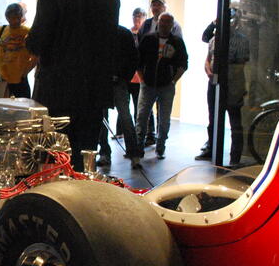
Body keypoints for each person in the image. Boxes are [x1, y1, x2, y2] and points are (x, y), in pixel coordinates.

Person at [26, 0, 119, 170]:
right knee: (85, 158)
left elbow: (37, 42)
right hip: (94, 92)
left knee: (54, 161)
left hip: (57, 92)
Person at [136, 12, 189, 160]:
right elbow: (138, 61)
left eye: (167, 22)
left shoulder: (177, 42)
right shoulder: (148, 39)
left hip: (166, 86)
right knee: (142, 116)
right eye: (162, 21)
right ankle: (138, 147)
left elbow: (183, 64)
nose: (164, 24)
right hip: (148, 84)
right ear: (158, 22)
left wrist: (173, 81)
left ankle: (160, 147)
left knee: (164, 119)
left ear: (172, 25)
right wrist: (142, 79)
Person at [202, 12, 250, 167]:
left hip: (233, 85)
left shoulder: (241, 40)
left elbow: (239, 66)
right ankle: (212, 150)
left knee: (235, 122)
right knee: (213, 119)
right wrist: (210, 73)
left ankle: (235, 157)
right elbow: (208, 59)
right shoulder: (214, 39)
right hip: (215, 84)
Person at [97, 24, 142, 168]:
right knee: (102, 119)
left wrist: (124, 76)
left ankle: (133, 153)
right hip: (103, 82)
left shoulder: (123, 33)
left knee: (125, 117)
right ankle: (105, 153)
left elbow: (133, 57)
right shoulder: (99, 31)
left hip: (118, 81)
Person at [0, 2, 36, 98]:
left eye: (17, 17)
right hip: (2, 78)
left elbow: (35, 55)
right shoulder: (0, 30)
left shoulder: (27, 32)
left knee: (21, 109)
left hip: (20, 79)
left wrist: (26, 71)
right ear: (7, 17)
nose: (15, 21)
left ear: (21, 16)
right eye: (12, 18)